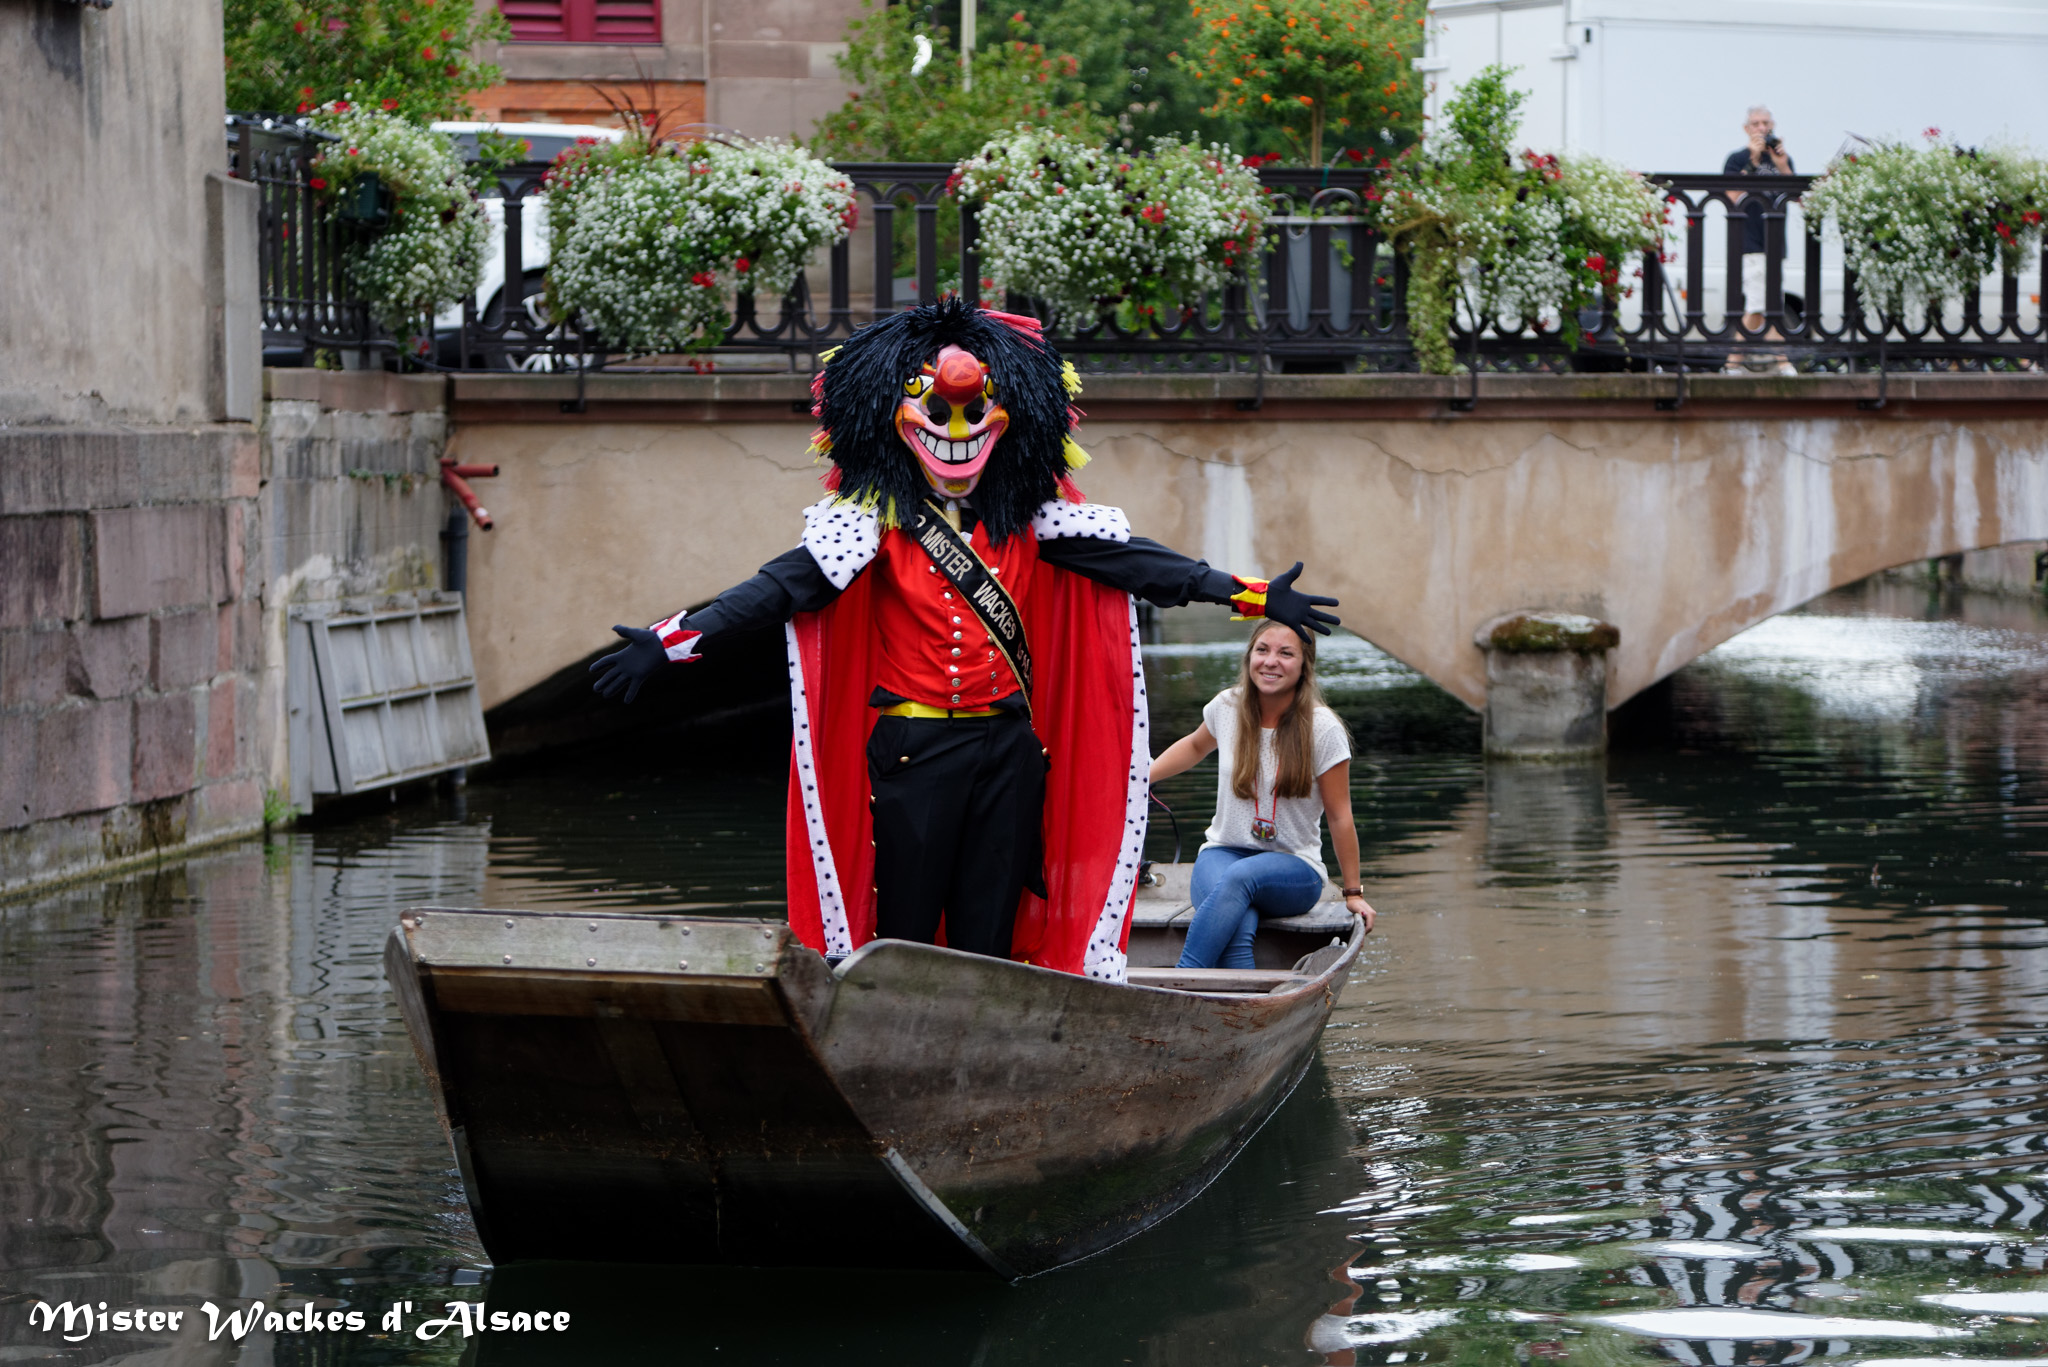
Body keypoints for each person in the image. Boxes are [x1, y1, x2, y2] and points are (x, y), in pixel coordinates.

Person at [587, 297, 1341, 982]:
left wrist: (1251, 595)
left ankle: (990, 1047)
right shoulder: (872, 524)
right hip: (913, 752)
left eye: (973, 410)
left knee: (990, 918)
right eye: (935, 413)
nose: (956, 431)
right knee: (909, 921)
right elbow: (781, 588)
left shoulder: (1030, 521)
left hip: (1008, 752)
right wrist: (673, 640)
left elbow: (1146, 566)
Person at [1148, 619, 1374, 970]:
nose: (1271, 661)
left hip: (1295, 866)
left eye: (1286, 653)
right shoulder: (1227, 707)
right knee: (1238, 921)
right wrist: (1141, 779)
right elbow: (1194, 746)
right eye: (1262, 650)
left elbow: (1340, 815)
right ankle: (1244, 1012)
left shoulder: (1324, 729)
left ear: (1304, 665)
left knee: (1240, 880)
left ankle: (1181, 980)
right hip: (1222, 853)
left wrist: (1353, 893)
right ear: (1249, 656)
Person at [1723, 104, 1798, 373]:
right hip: (1750, 243)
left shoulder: (1781, 160)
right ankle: (1778, 363)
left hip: (1775, 242)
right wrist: (1752, 163)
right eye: (1756, 124)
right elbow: (1730, 197)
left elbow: (1799, 198)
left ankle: (1738, 364)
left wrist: (1782, 165)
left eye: (1766, 123)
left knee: (1770, 304)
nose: (1762, 128)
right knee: (1759, 303)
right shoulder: (1736, 160)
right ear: (1746, 128)